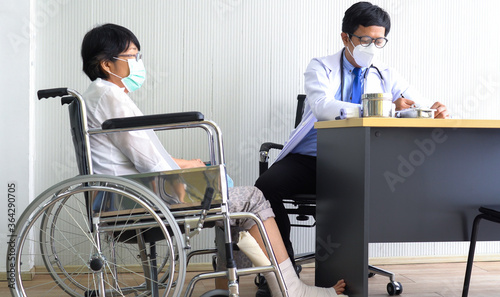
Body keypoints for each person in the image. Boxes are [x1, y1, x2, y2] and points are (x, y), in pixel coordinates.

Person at [80, 23, 347, 297]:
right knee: (252, 198)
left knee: (228, 196)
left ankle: (238, 282)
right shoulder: (111, 97)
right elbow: (149, 162)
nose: (138, 63)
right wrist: (181, 178)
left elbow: (141, 154)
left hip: (125, 194)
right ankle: (291, 290)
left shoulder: (99, 95)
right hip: (139, 198)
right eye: (131, 56)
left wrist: (186, 165)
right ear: (106, 64)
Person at [254, 2, 450, 295]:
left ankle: (348, 264)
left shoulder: (388, 75)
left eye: (379, 40)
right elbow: (323, 108)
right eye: (365, 39)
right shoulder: (320, 66)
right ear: (346, 37)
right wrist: (379, 108)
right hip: (312, 158)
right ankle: (284, 265)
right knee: (265, 186)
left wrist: (433, 110)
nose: (372, 47)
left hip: (357, 164)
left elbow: (416, 107)